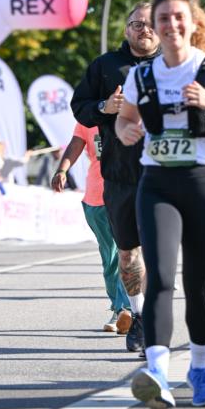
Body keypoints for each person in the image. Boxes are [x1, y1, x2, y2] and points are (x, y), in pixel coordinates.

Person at [116, 0, 205, 409]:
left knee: (198, 287)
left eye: (179, 17)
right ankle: (158, 372)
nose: (171, 25)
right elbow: (124, 120)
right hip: (157, 184)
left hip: (203, 183)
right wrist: (126, 131)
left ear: (192, 24)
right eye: (163, 18)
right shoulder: (142, 75)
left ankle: (199, 368)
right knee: (159, 279)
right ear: (154, 26)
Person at [71, 2, 161, 354]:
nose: (145, 29)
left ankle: (152, 318)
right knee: (127, 254)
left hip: (164, 174)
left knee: (156, 251)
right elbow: (80, 107)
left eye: (151, 23)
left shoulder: (174, 65)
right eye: (137, 23)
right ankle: (136, 314)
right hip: (120, 174)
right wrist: (103, 107)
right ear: (126, 30)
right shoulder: (105, 66)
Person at [52, 123, 132, 334]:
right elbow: (76, 143)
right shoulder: (88, 116)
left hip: (126, 193)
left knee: (128, 252)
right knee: (110, 258)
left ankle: (126, 309)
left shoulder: (131, 112)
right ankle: (118, 308)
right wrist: (62, 170)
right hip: (96, 199)